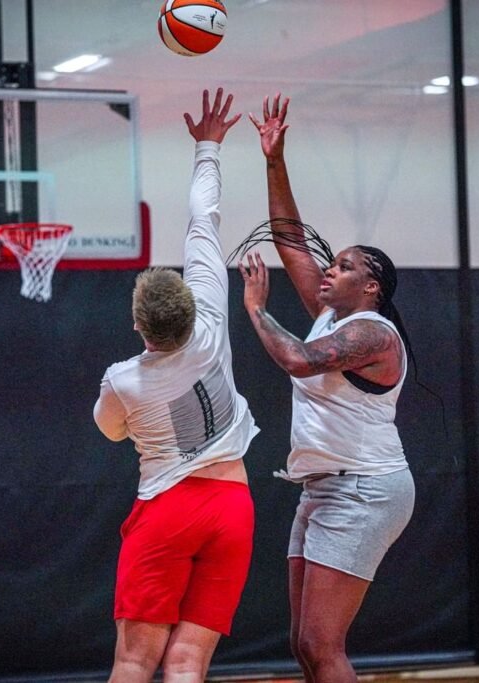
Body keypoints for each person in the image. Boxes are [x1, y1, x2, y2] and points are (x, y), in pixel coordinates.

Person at [237, 93, 416, 683]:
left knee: (322, 642)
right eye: (331, 265)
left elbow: (300, 361)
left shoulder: (371, 333)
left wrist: (259, 310)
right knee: (303, 644)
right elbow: (289, 237)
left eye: (342, 265)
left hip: (365, 488)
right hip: (323, 484)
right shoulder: (331, 313)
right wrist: (273, 159)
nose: (328, 269)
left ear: (370, 286)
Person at [93, 88, 259, 683]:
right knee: (188, 663)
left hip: (168, 509)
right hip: (232, 507)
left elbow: (111, 432)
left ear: (138, 325)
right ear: (190, 308)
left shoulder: (125, 380)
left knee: (136, 660)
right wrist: (208, 146)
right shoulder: (211, 321)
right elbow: (203, 217)